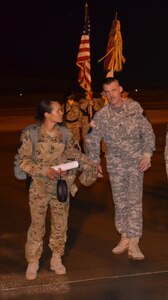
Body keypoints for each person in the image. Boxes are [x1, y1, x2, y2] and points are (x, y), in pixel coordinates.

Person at [18, 99, 97, 280]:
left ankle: (56, 258)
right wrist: (44, 170)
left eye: (61, 110)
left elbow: (74, 153)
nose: (62, 113)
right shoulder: (32, 135)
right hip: (39, 188)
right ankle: (33, 261)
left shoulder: (65, 133)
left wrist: (89, 163)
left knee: (60, 224)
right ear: (47, 114)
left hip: (60, 187)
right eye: (58, 110)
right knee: (37, 226)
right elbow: (23, 161)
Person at [86, 77, 155, 260]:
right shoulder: (100, 116)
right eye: (107, 92)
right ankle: (124, 237)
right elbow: (91, 140)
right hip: (115, 166)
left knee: (134, 202)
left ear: (121, 89)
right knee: (120, 202)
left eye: (114, 90)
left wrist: (147, 154)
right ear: (103, 94)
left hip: (135, 164)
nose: (111, 95)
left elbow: (147, 132)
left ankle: (134, 242)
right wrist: (95, 163)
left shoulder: (134, 107)